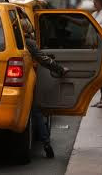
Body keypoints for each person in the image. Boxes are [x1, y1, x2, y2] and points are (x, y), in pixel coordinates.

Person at [20, 18, 69, 158]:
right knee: (36, 112)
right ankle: (46, 143)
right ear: (28, 28)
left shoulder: (14, 40)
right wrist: (60, 69)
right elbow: (43, 59)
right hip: (26, 83)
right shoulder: (29, 42)